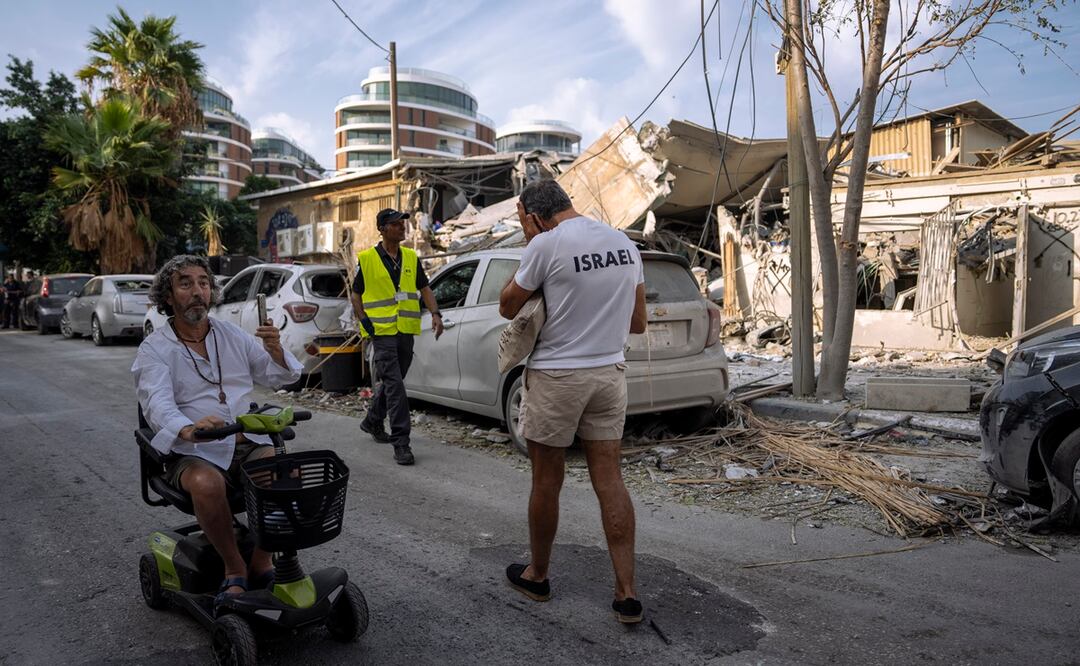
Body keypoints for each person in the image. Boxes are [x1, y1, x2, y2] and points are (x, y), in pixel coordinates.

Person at [498, 180, 648, 624]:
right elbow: (637, 322)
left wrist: (533, 245)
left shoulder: (545, 243)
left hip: (558, 377)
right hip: (609, 375)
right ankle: (626, 594)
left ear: (531, 214)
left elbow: (508, 306)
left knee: (547, 481)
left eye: (522, 220)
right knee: (610, 481)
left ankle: (538, 575)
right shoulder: (623, 242)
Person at [132, 255, 303, 606]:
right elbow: (157, 404)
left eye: (203, 283)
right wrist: (189, 428)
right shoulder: (156, 349)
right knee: (207, 483)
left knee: (285, 470)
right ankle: (233, 567)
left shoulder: (231, 334)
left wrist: (276, 350)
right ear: (167, 296)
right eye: (185, 283)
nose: (197, 291)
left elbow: (280, 376)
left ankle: (260, 562)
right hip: (193, 453)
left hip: (247, 443)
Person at [350, 208, 444, 465]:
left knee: (395, 380)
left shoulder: (411, 257)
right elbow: (356, 294)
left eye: (403, 224)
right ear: (382, 229)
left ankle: (372, 420)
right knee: (395, 385)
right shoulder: (368, 259)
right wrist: (364, 320)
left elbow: (424, 288)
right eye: (396, 224)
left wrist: (436, 314)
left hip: (405, 329)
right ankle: (401, 442)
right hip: (381, 332)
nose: (402, 228)